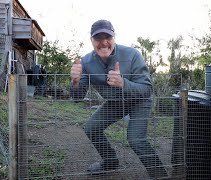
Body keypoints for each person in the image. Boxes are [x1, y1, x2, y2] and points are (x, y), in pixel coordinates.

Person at [70, 19, 168, 178]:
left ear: (114, 37)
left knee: (136, 139)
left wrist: (124, 83)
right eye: (98, 38)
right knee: (91, 128)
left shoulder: (132, 55)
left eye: (107, 37)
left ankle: (160, 176)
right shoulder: (86, 62)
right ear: (91, 41)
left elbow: (147, 89)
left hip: (139, 101)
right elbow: (77, 97)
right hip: (115, 103)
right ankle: (110, 161)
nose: (103, 43)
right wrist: (75, 82)